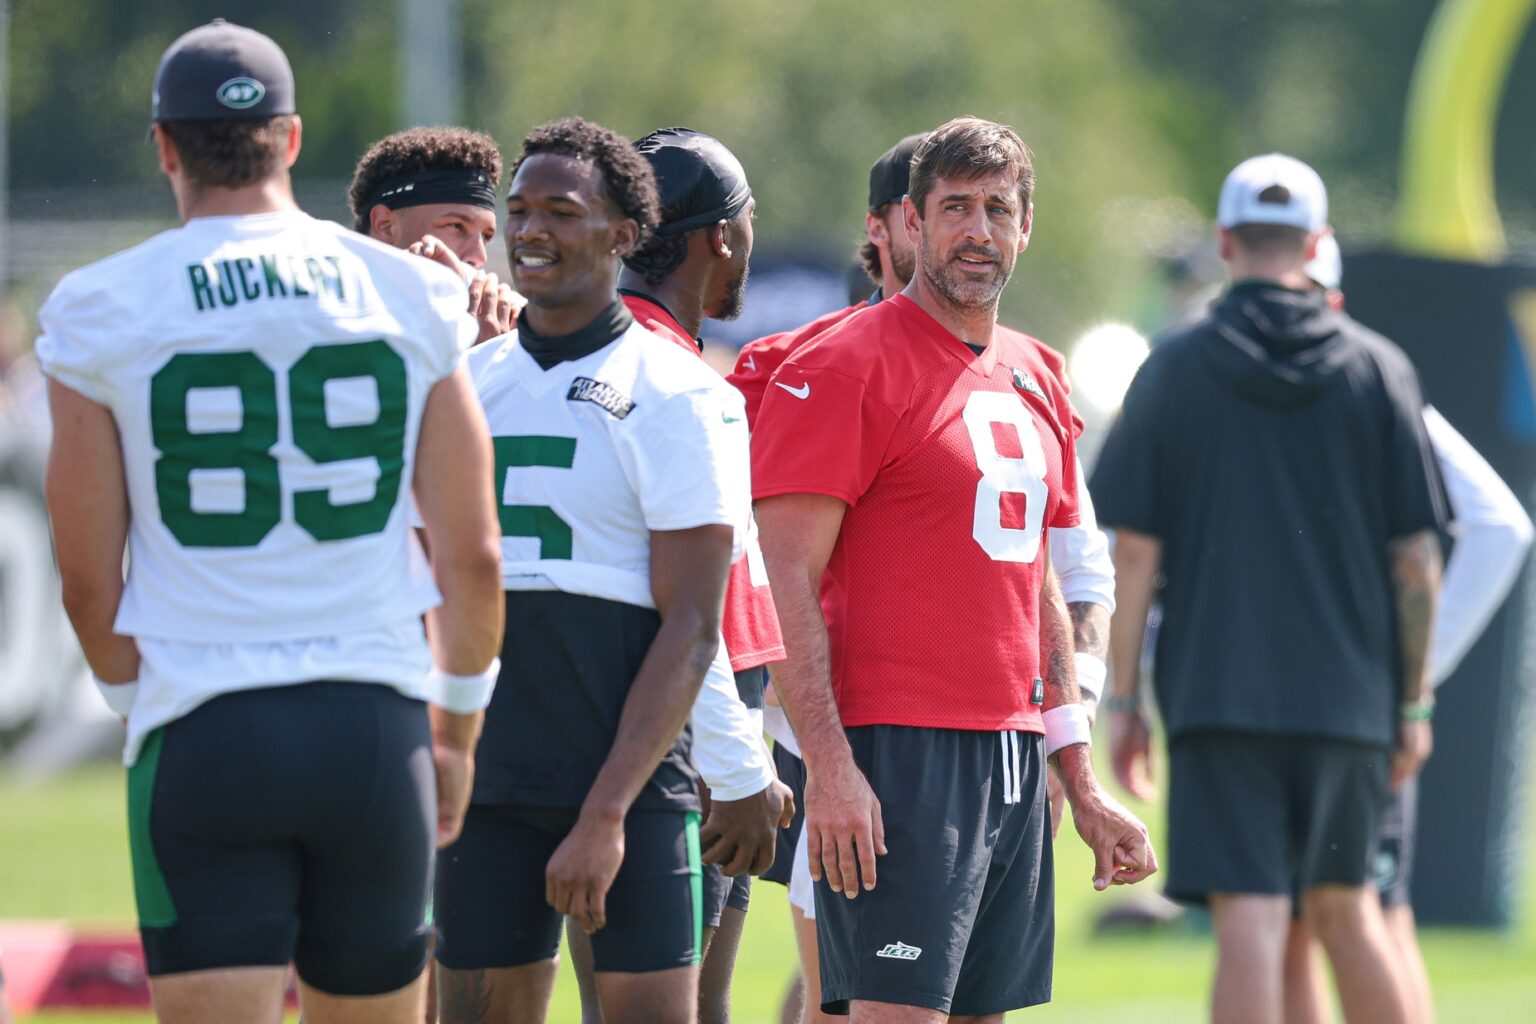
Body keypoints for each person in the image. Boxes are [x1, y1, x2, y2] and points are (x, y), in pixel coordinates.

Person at [37, 21, 504, 1024]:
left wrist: (143, 701)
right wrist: (457, 733)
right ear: (290, 139)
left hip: (203, 722)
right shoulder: (414, 292)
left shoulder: (100, 304)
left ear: (164, 147)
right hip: (373, 725)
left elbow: (86, 581)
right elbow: (472, 554)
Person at [752, 116, 1155, 1023]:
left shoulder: (1036, 371)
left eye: (998, 209)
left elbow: (1038, 581)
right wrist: (829, 767)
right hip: (897, 751)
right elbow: (782, 575)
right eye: (956, 208)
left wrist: (1078, 773)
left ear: (1026, 226)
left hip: (1013, 753)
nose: (979, 231)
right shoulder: (842, 363)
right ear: (911, 222)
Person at [431, 116, 775, 1024]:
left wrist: (605, 814)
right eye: (520, 210)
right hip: (488, 780)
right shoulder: (462, 381)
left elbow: (693, 625)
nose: (530, 230)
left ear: (625, 235)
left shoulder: (685, 393)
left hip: (634, 782)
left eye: (561, 211)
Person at [1093, 153, 1448, 1024]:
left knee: (1247, 919)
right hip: (1350, 701)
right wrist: (1411, 703)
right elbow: (1416, 559)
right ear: (1317, 243)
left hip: (1220, 695)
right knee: (1348, 910)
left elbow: (1131, 553)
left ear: (1224, 242)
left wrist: (1125, 698)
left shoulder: (1174, 367)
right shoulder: (1379, 368)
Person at [559, 126, 792, 1024]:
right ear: (721, 235)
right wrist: (735, 760)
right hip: (673, 737)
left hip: (672, 725)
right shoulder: (670, 381)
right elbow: (688, 610)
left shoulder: (624, 357)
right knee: (657, 1005)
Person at [1279, 235, 1535, 1024]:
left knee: (1347, 914)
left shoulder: (1364, 388)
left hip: (1323, 702)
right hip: (1347, 701)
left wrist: (1415, 672)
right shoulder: (1372, 382)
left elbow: (1500, 528)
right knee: (1319, 917)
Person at [347, 126, 521, 343]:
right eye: (456, 226)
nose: (479, 257)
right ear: (385, 225)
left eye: (485, 236)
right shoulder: (329, 321)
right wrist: (480, 354)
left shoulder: (510, 325)